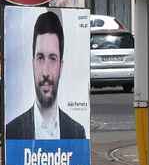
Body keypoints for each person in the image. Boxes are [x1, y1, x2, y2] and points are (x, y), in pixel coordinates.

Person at [5, 10, 88, 140]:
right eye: (40, 58)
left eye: (52, 58)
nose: (45, 72)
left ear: (61, 66)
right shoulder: (12, 131)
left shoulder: (77, 132)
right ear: (33, 64)